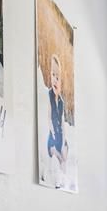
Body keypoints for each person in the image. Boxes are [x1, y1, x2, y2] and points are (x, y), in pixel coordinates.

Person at [46, 54, 68, 182]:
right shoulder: (49, 95)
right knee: (56, 154)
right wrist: (53, 132)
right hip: (53, 139)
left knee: (64, 154)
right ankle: (59, 173)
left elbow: (63, 122)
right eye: (53, 75)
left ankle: (63, 178)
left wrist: (64, 140)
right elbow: (49, 118)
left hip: (60, 137)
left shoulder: (61, 101)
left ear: (61, 82)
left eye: (57, 77)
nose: (54, 79)